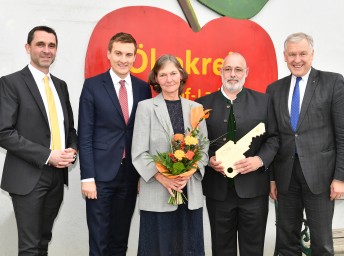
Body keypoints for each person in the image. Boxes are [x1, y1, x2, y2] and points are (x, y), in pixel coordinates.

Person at [266, 32, 344, 255]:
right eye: (292, 54)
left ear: (312, 54)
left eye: (303, 53)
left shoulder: (333, 82)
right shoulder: (274, 90)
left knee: (321, 243)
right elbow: (273, 137)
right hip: (286, 179)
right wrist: (273, 178)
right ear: (284, 57)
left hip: (321, 179)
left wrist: (340, 177)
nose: (297, 59)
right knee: (286, 243)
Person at [0, 26, 78, 255]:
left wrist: (72, 151)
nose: (46, 50)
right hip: (29, 176)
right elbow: (3, 132)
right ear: (28, 48)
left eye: (51, 46)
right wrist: (47, 155)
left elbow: (69, 129)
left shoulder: (61, 86)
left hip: (57, 176)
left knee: (43, 241)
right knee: (30, 247)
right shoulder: (11, 83)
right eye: (40, 44)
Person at [196, 52, 279, 256]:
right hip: (218, 192)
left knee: (253, 249)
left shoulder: (264, 101)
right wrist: (209, 160)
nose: (233, 74)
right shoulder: (201, 104)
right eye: (228, 69)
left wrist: (260, 160)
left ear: (246, 72)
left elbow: (274, 138)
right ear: (221, 71)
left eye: (238, 69)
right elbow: (197, 144)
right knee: (221, 249)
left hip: (254, 191)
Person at [78, 32, 151, 255]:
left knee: (120, 240)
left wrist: (141, 175)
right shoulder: (92, 86)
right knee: (99, 242)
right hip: (99, 177)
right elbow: (85, 135)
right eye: (118, 53)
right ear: (109, 54)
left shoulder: (142, 88)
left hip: (129, 176)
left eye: (129, 54)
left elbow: (143, 133)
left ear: (135, 57)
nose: (123, 59)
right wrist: (87, 178)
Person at [131, 54, 209, 256]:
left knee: (188, 249)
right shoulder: (145, 108)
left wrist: (189, 172)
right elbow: (139, 152)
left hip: (189, 193)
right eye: (163, 74)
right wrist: (163, 178)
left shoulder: (196, 108)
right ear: (156, 79)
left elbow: (204, 148)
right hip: (157, 194)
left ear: (181, 75)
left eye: (173, 73)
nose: (169, 79)